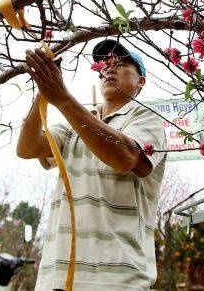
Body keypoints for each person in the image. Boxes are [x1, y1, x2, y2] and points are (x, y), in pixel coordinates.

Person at [16, 39, 168, 290]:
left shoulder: (147, 118)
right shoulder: (75, 123)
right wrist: (43, 92)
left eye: (121, 63)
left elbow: (125, 158)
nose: (109, 66)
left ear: (141, 80)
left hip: (117, 279)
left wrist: (62, 98)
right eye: (104, 63)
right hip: (59, 275)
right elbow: (27, 148)